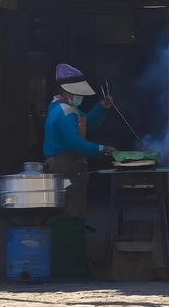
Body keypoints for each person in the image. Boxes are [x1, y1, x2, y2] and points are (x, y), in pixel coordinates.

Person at [43, 63, 115, 218]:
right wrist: (102, 149)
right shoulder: (65, 112)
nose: (80, 97)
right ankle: (71, 241)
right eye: (78, 93)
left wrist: (101, 108)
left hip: (62, 164)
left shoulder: (59, 106)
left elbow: (85, 124)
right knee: (72, 212)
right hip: (66, 166)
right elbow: (75, 142)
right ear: (68, 92)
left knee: (66, 210)